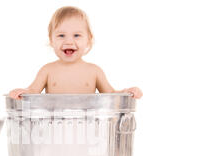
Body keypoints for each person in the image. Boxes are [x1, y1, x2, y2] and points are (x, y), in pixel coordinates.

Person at [8, 6, 143, 99]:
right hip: (55, 132)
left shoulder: (94, 71)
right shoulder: (47, 70)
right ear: (51, 40)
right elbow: (32, 92)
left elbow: (112, 95)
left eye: (77, 35)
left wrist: (126, 92)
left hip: (87, 132)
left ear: (88, 40)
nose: (69, 42)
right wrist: (22, 92)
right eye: (61, 36)